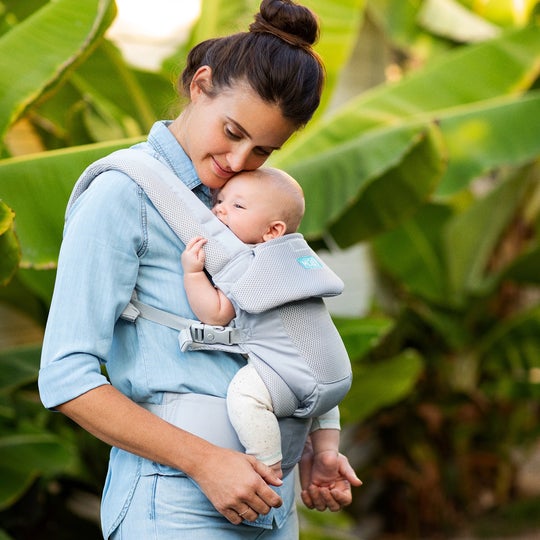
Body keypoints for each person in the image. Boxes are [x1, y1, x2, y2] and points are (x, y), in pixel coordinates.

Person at [38, 0, 362, 538]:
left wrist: (309, 448)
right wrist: (204, 461)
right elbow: (66, 377)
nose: (237, 162)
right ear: (200, 84)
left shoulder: (254, 207)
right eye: (232, 132)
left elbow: (263, 345)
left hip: (273, 503)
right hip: (175, 504)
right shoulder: (123, 195)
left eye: (262, 150)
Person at [182, 167, 343, 484]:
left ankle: (267, 465)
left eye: (238, 206)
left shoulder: (248, 264)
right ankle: (327, 452)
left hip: (284, 371)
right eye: (221, 200)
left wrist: (193, 274)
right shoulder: (296, 257)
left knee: (245, 396)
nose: (220, 209)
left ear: (272, 232)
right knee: (322, 399)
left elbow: (216, 314)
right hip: (333, 370)